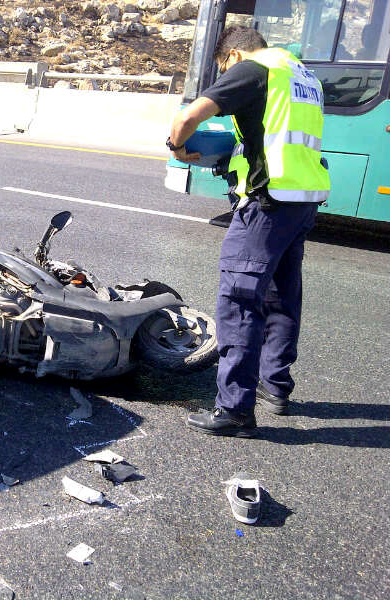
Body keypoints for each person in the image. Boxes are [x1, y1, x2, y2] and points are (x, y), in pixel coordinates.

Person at [165, 26, 331, 437]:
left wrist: (177, 146)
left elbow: (188, 116)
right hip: (302, 199)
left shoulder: (254, 69)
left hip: (266, 205)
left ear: (234, 56)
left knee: (239, 299)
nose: (224, 74)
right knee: (282, 297)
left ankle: (235, 409)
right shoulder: (303, 75)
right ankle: (275, 388)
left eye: (223, 67)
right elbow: (272, 135)